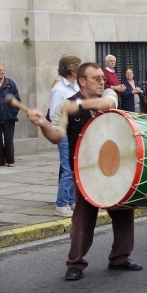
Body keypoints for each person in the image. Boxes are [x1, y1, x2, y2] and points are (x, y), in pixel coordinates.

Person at [28, 62, 143, 281]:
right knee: (82, 218)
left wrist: (77, 106)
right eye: (96, 78)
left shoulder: (108, 93)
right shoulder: (66, 106)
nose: (102, 81)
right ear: (82, 80)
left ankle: (119, 258)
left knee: (123, 213)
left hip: (114, 168)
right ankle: (75, 263)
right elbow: (56, 136)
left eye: (102, 77)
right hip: (85, 172)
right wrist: (42, 123)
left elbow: (108, 103)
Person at [49, 54, 81, 217]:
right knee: (67, 169)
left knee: (73, 168)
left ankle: (69, 200)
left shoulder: (74, 87)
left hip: (75, 131)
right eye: (78, 68)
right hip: (64, 133)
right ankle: (61, 204)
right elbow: (55, 115)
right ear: (72, 71)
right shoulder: (59, 90)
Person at [0, 63, 20, 167]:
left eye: (3, 70)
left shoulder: (10, 83)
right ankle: (0, 160)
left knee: (8, 139)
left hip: (8, 117)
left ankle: (10, 160)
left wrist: (13, 112)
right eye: (0, 70)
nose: (2, 72)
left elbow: (17, 100)